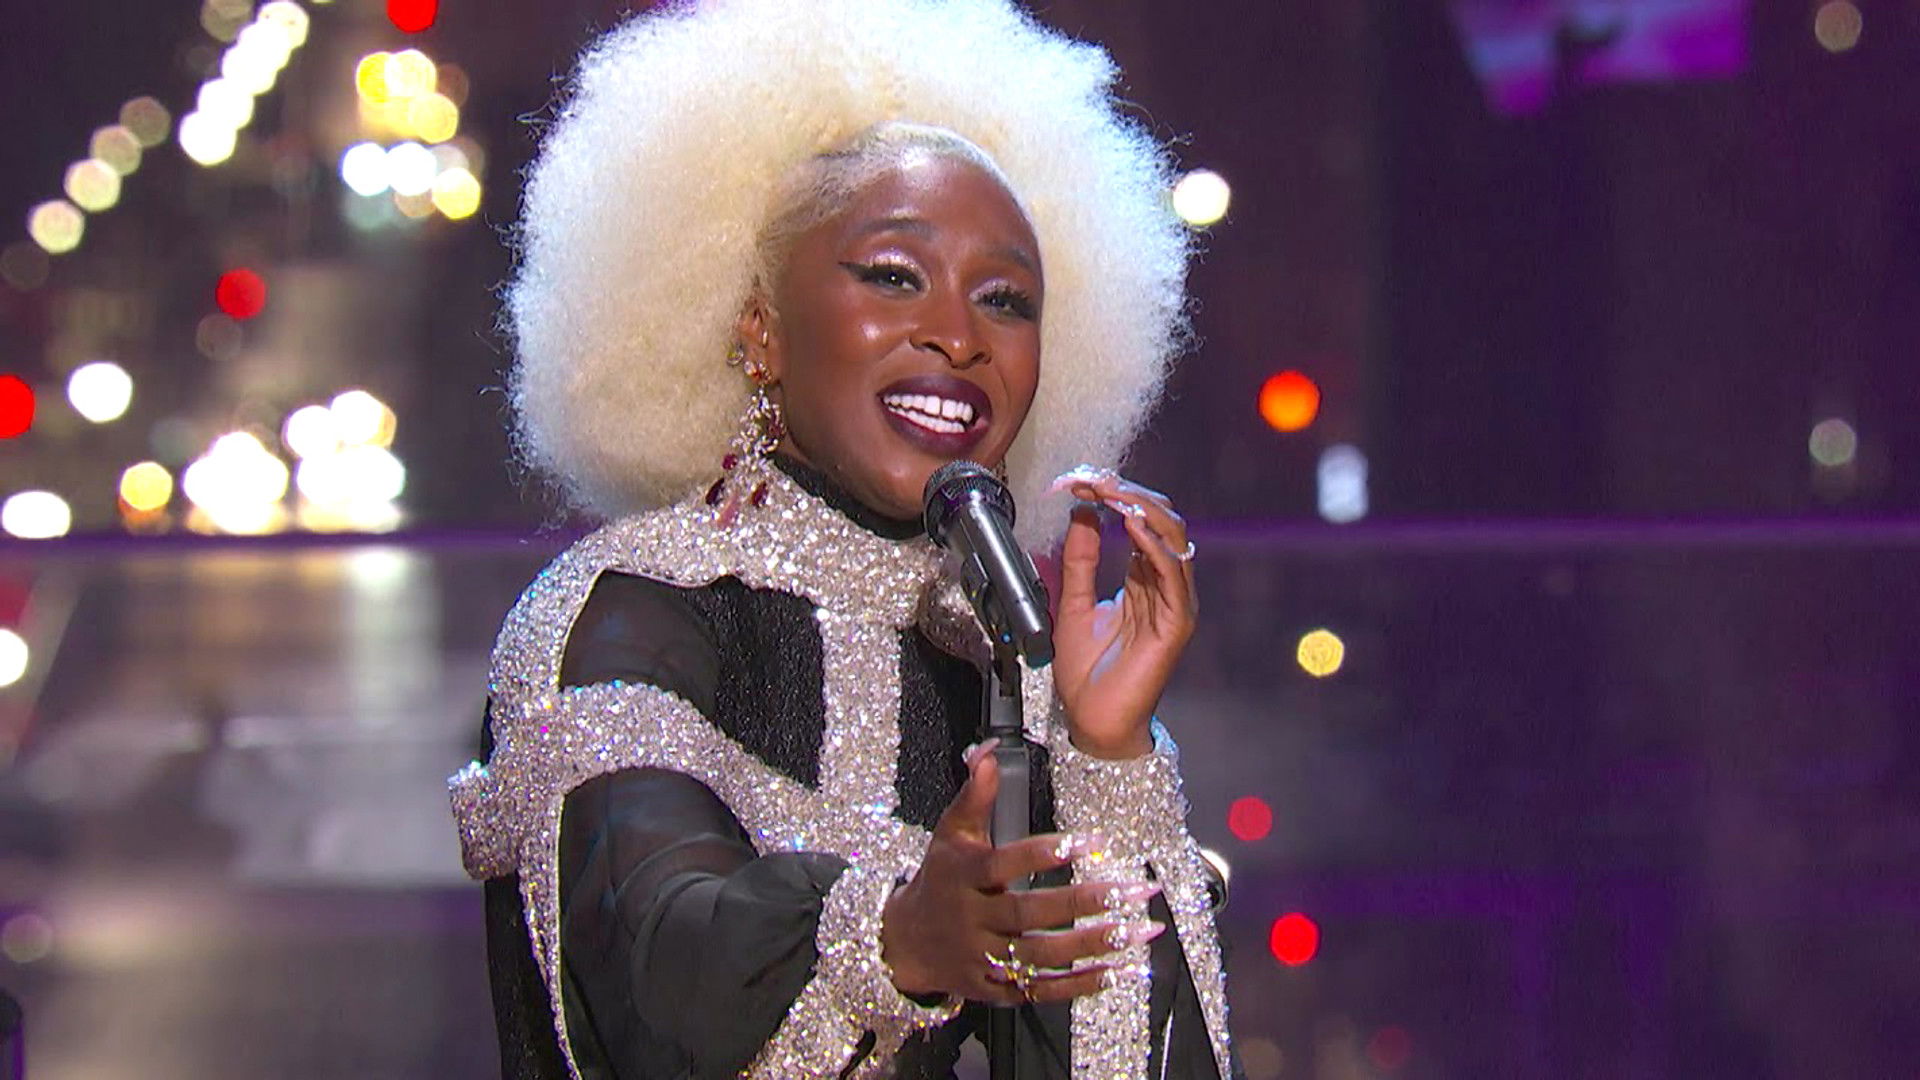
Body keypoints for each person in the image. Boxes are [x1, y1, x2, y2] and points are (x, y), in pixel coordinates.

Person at [448, 1, 1232, 1077]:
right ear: (759, 328)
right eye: (894, 275)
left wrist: (1104, 757)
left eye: (1006, 300)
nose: (958, 336)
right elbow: (648, 983)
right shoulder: (619, 612)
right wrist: (897, 940)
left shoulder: (998, 668)